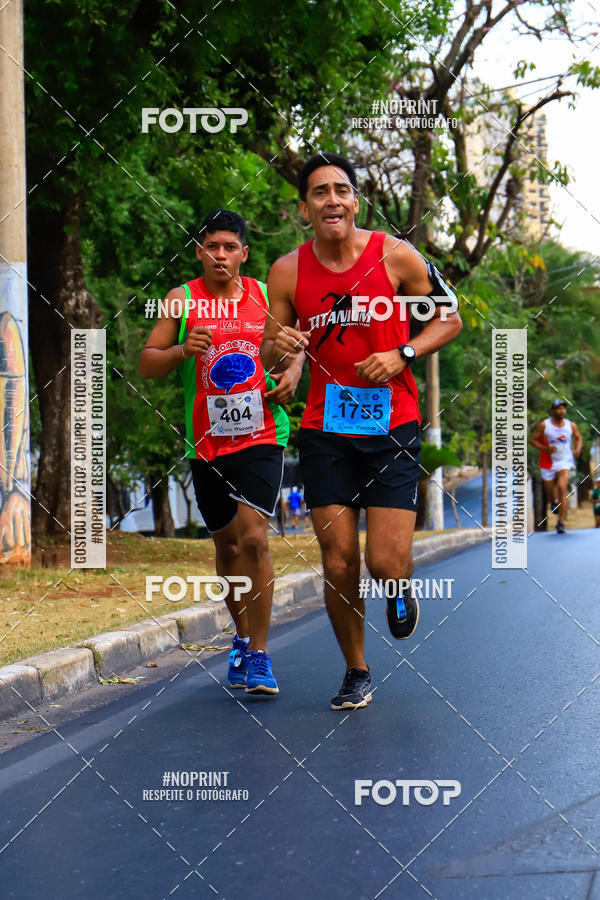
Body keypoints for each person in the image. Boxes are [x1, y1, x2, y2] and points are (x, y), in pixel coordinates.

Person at [260, 153, 462, 710]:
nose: (332, 199)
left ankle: (398, 586)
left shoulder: (396, 257)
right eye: (320, 192)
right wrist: (287, 355)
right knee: (339, 558)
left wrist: (403, 352)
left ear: (355, 200)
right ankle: (356, 669)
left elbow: (450, 318)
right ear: (305, 208)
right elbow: (273, 340)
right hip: (325, 427)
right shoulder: (287, 271)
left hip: (392, 421)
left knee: (383, 563)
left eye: (342, 190)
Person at [139, 209, 304, 695]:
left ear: (244, 254)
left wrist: (292, 374)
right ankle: (242, 634)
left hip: (262, 433)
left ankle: (260, 655)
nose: (221, 255)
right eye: (212, 246)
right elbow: (148, 364)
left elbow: (289, 346)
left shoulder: (262, 294)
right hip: (206, 441)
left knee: (255, 537)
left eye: (230, 247)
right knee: (228, 546)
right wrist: (181, 351)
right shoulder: (180, 300)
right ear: (199, 251)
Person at [529, 399, 582, 534]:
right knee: (551, 494)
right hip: (548, 462)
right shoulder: (544, 425)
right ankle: (553, 502)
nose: (561, 411)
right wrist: (545, 448)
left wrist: (578, 449)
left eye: (563, 408)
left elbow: (578, 437)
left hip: (565, 461)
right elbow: (532, 440)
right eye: (558, 408)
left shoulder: (571, 425)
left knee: (562, 488)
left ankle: (561, 522)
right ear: (552, 411)